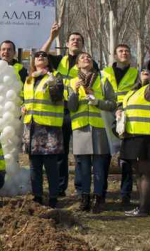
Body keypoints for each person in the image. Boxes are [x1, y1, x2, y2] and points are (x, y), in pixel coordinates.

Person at [41, 22, 96, 197]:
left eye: (79, 40)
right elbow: (41, 56)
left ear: (83, 45)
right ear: (66, 44)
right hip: (61, 111)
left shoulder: (88, 62)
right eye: (72, 39)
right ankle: (59, 188)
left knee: (80, 152)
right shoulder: (59, 60)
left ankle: (81, 189)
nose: (75, 42)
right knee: (60, 151)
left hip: (80, 111)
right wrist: (52, 37)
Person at [66, 52, 117, 213]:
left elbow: (113, 103)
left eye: (88, 57)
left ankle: (100, 198)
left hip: (99, 127)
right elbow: (72, 107)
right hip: (81, 127)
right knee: (83, 166)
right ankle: (84, 198)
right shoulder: (72, 82)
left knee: (100, 165)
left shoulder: (103, 79)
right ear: (77, 65)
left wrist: (98, 102)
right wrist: (74, 92)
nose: (86, 59)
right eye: (82, 58)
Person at [118, 55, 150, 217]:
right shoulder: (134, 91)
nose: (146, 72)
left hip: (146, 136)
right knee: (139, 173)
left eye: (149, 71)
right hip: (132, 136)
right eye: (143, 70)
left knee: (146, 173)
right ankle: (141, 207)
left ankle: (145, 209)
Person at [22, 51, 65, 208]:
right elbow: (25, 98)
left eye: (44, 57)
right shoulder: (28, 79)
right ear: (33, 61)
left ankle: (53, 196)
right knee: (34, 165)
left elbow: (57, 97)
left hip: (49, 127)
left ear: (48, 61)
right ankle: (37, 196)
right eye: (37, 57)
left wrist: (52, 81)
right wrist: (23, 107)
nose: (40, 58)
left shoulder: (54, 76)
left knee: (51, 165)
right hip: (32, 126)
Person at [102, 44, 139, 206]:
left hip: (127, 116)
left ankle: (125, 195)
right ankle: (101, 194)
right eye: (121, 51)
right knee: (104, 157)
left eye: (127, 51)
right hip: (106, 115)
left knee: (126, 158)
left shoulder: (135, 73)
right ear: (115, 55)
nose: (124, 53)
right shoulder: (104, 72)